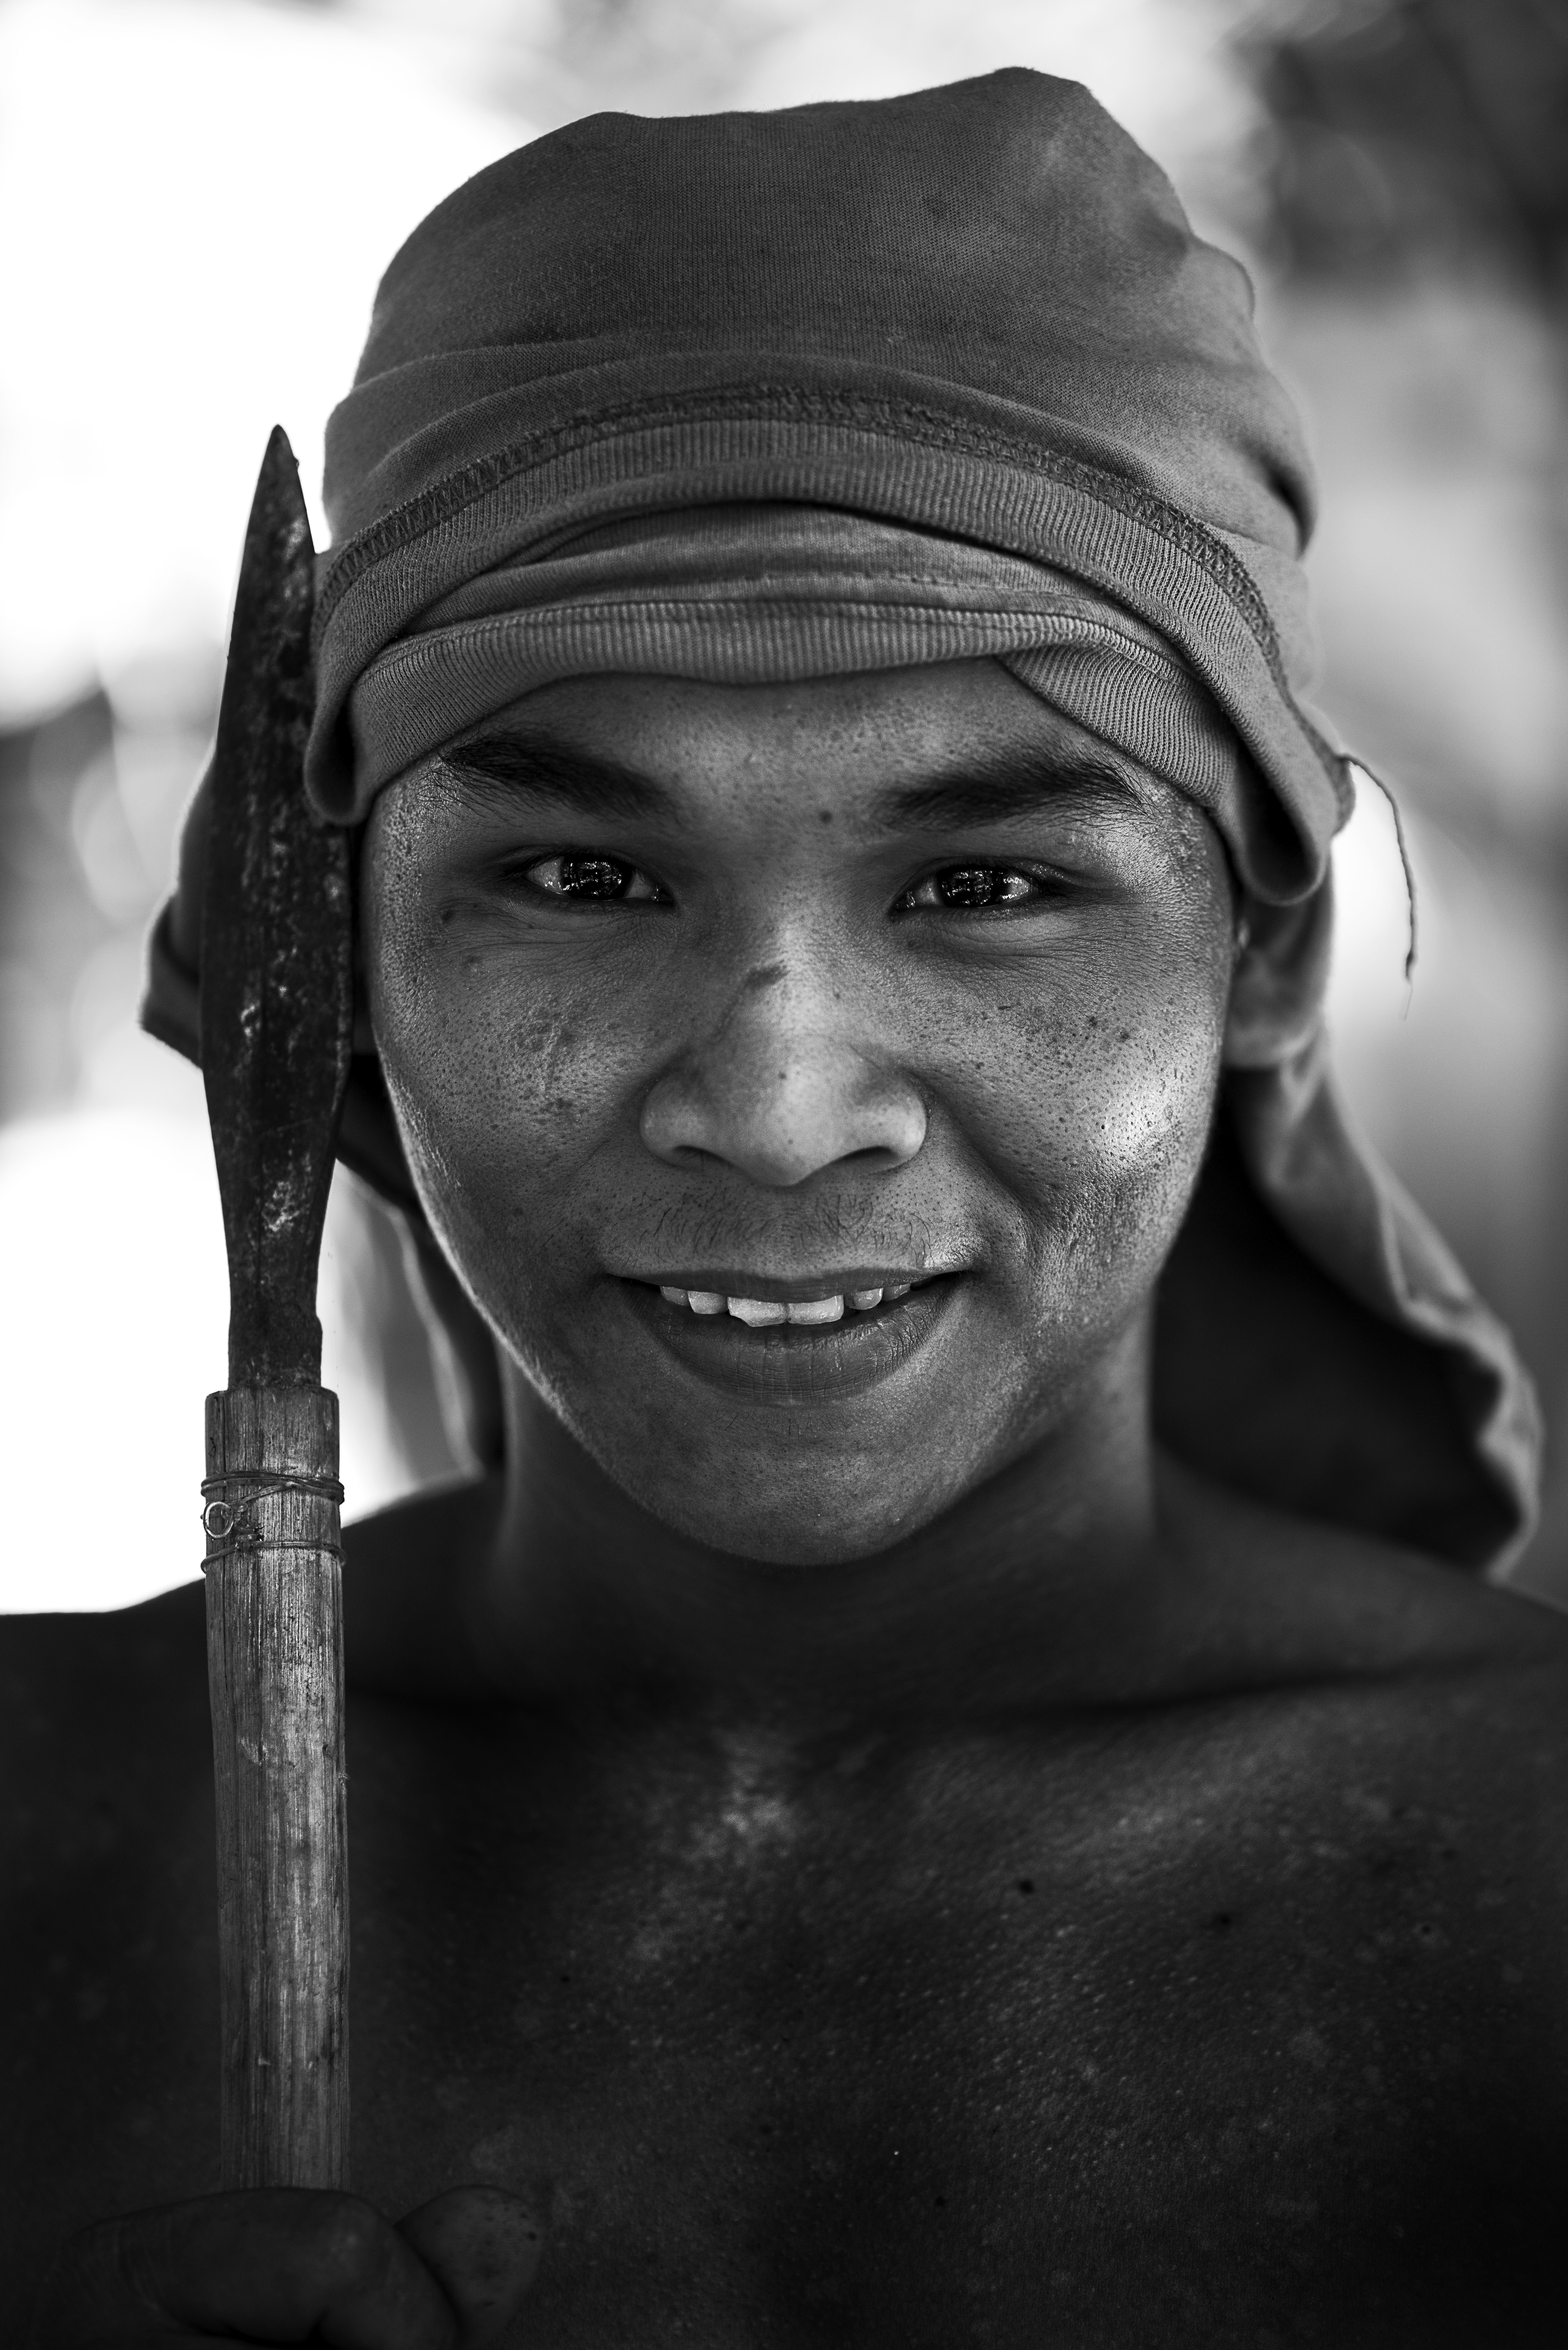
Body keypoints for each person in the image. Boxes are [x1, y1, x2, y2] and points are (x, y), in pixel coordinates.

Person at [8, 68, 1567, 2347]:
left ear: (1257, 957)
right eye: (577, 874)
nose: (769, 1105)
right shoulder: (34, 1848)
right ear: (333, 968)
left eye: (985, 885)